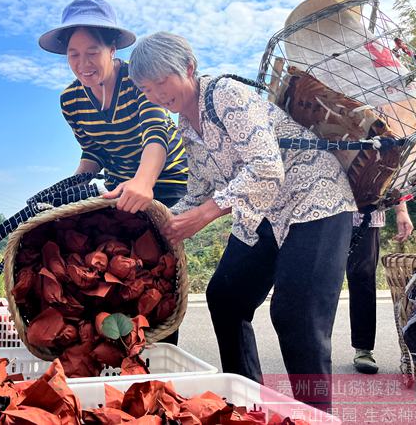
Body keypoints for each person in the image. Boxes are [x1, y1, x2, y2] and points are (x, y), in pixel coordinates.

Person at [129, 32, 356, 410]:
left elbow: (267, 169)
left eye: (162, 81)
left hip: (316, 200)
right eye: (146, 88)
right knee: (226, 297)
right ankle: (248, 404)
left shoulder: (225, 95)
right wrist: (153, 222)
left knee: (295, 315)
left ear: (188, 68)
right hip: (264, 212)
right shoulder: (186, 126)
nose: (156, 94)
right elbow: (198, 189)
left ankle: (317, 416)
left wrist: (203, 215)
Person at [38, 0, 188, 213]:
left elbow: (155, 132)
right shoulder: (70, 101)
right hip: (119, 185)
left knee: (154, 241)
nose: (83, 64)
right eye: (74, 55)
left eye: (92, 53)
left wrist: (143, 182)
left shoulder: (138, 80)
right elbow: (93, 152)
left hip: (166, 178)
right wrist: (66, 194)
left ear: (112, 49)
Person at [348, 204, 413, 374]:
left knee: (363, 279)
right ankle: (310, 348)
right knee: (316, 279)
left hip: (365, 215)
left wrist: (401, 211)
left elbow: (392, 177)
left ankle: (363, 349)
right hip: (321, 211)